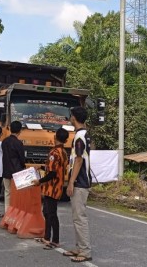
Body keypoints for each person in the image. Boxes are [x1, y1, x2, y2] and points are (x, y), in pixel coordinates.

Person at [63, 107, 93, 263]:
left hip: (80, 182)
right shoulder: (84, 134)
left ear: (73, 118)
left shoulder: (79, 137)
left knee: (79, 217)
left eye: (71, 116)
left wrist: (71, 182)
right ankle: (79, 247)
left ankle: (85, 250)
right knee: (76, 216)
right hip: (81, 181)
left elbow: (79, 160)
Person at [32, 127, 69, 250]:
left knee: (51, 214)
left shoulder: (54, 153)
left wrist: (39, 181)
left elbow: (52, 173)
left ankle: (55, 240)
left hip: (52, 188)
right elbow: (55, 169)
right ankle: (46, 237)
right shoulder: (64, 152)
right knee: (47, 212)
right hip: (57, 187)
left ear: (55, 137)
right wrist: (42, 167)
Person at [1, 121, 25, 210]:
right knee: (16, 193)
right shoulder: (19, 143)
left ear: (10, 129)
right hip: (17, 171)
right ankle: (15, 212)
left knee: (7, 192)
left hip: (6, 170)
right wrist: (23, 166)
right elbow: (21, 158)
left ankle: (7, 212)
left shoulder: (4, 141)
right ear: (20, 131)